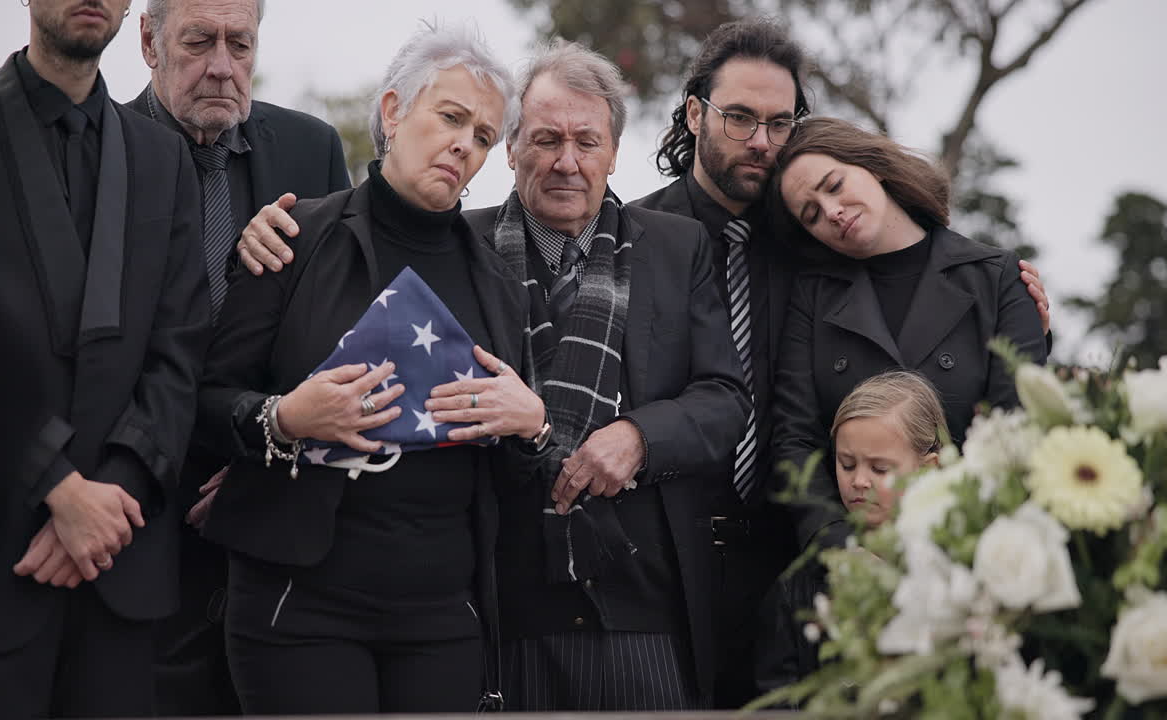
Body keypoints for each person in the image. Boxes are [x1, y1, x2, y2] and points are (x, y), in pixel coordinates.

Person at [630, 17, 1052, 708]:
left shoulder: (813, 259)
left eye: (778, 121)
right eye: (740, 118)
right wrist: (838, 546)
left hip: (864, 565)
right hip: (680, 557)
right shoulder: (652, 238)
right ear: (696, 112)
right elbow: (795, 426)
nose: (761, 140)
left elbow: (1014, 419)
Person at [194, 23, 535, 714]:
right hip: (300, 606)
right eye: (451, 117)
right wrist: (283, 417)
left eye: (482, 136)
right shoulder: (294, 238)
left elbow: (515, 478)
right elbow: (201, 401)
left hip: (444, 617)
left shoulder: (497, 281)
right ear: (392, 111)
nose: (464, 145)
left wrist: (533, 424)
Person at [462, 40, 749, 711]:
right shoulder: (459, 246)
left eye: (587, 141)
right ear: (509, 148)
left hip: (645, 608)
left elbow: (725, 399)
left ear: (614, 151)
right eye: (545, 139)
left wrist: (640, 438)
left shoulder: (678, 250)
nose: (567, 161)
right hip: (502, 605)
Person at [0, 0, 211, 716]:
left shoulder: (164, 157)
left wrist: (110, 499)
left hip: (121, 567)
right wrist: (56, 486)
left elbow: (178, 350)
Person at [124, 0, 351, 713]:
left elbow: (335, 327)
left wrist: (260, 465)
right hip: (136, 513)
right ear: (148, 42)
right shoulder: (106, 148)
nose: (222, 65)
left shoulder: (311, 148)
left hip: (273, 512)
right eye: (199, 42)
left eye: (240, 43)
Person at [769, 117, 1049, 553]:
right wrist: (841, 551)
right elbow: (795, 440)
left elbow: (1018, 427)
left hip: (975, 553)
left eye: (834, 184)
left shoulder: (996, 279)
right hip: (853, 571)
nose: (832, 211)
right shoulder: (812, 298)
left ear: (873, 166)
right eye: (812, 214)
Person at [754, 370, 947, 693]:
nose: (859, 481)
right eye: (846, 464)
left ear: (927, 468)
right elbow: (777, 701)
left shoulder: (957, 575)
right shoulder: (798, 590)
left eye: (879, 468)